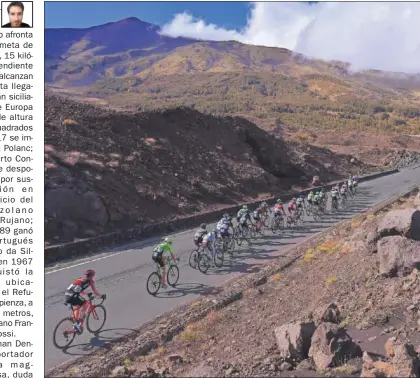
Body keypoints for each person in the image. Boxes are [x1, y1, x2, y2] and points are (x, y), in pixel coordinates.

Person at [65, 269, 105, 334]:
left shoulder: (80, 278)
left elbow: (79, 290)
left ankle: (75, 323)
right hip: (73, 295)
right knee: (86, 305)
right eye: (93, 275)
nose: (93, 277)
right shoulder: (90, 281)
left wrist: (87, 293)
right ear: (91, 276)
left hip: (67, 294)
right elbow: (95, 291)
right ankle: (79, 321)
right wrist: (101, 296)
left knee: (77, 306)